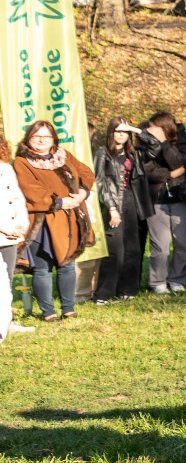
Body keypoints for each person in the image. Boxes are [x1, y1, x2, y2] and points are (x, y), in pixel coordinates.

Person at [14, 121, 96, 322]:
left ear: (53, 139)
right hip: (41, 222)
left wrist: (82, 193)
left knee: (67, 263)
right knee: (42, 268)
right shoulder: (22, 162)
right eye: (36, 136)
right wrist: (59, 202)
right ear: (28, 138)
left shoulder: (63, 155)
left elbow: (86, 173)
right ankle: (48, 312)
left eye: (46, 136)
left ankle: (68, 309)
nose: (41, 140)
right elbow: (30, 190)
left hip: (68, 220)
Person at [91, 118, 149, 303]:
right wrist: (112, 208)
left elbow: (155, 145)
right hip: (112, 203)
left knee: (133, 248)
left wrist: (135, 129)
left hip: (131, 201)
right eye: (118, 131)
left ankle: (127, 290)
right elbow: (99, 182)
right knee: (115, 249)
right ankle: (104, 294)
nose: (122, 134)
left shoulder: (133, 153)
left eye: (125, 131)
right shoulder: (103, 152)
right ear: (111, 132)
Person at [140, 112, 186, 293]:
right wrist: (170, 175)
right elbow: (148, 172)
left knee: (181, 241)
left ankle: (178, 279)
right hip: (156, 198)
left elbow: (178, 161)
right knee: (160, 245)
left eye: (153, 127)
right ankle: (158, 281)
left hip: (180, 196)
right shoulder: (143, 144)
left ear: (164, 127)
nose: (149, 130)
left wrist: (163, 142)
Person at [0, 131, 33, 340]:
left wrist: (23, 222)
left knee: (7, 280)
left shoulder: (6, 168)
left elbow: (17, 198)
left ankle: (6, 320)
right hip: (3, 231)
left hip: (10, 236)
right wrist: (3, 227)